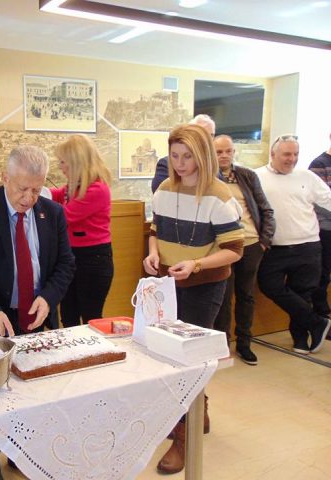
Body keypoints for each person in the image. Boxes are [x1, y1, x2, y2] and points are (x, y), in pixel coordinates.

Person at [0, 145, 75, 479]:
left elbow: (65, 264)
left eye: (37, 189)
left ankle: (21, 452)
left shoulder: (53, 213)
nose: (29, 198)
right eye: (22, 188)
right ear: (5, 177)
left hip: (35, 316)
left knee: (29, 392)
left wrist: (48, 297)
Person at [144, 124, 243, 475]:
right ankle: (196, 411)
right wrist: (153, 254)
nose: (180, 163)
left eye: (187, 156)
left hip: (204, 285)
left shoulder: (219, 196)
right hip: (167, 284)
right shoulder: (164, 190)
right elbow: (155, 230)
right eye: (174, 156)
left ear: (201, 155)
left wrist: (196, 264)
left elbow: (234, 250)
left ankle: (184, 437)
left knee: (188, 361)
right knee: (166, 356)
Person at [256, 134, 331, 354]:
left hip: (308, 245)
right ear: (273, 154)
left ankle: (300, 340)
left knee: (302, 293)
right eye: (287, 154)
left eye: (296, 154)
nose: (292, 159)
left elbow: (328, 199)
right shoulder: (257, 176)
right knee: (268, 285)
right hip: (274, 248)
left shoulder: (307, 176)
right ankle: (317, 322)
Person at [212, 135, 275, 365]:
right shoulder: (208, 178)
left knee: (246, 295)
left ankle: (245, 343)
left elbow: (266, 209)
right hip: (223, 247)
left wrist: (264, 241)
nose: (224, 156)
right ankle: (222, 344)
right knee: (223, 297)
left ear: (234, 152)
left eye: (228, 151)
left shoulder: (247, 176)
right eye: (219, 152)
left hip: (251, 244)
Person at [50, 134, 113, 327]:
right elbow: (55, 195)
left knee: (90, 317)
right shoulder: (74, 187)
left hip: (93, 259)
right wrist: (34, 189)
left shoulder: (98, 190)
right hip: (71, 257)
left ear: (76, 162)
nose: (60, 167)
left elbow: (64, 215)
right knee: (68, 314)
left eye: (63, 162)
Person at [151, 114, 216, 193]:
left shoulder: (215, 169)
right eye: (200, 135)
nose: (206, 140)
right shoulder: (166, 165)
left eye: (211, 135)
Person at [308, 132, 331, 338]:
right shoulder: (319, 164)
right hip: (325, 230)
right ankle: (321, 317)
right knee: (322, 275)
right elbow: (320, 202)